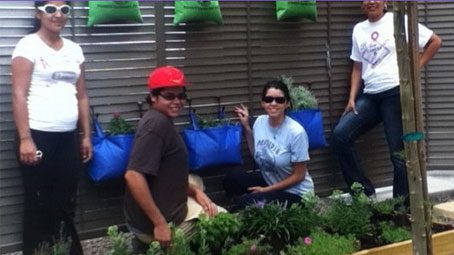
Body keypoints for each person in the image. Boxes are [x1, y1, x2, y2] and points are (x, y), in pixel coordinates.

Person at [331, 0, 442, 199]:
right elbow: (357, 66)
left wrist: (413, 70)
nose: (371, 2)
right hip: (370, 95)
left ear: (386, 2)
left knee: (398, 154)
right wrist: (351, 98)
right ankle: (363, 193)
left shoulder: (399, 21)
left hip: (395, 93)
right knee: (340, 136)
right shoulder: (359, 29)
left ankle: (400, 207)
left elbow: (435, 42)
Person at [11, 1, 92, 254]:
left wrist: (86, 135)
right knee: (39, 202)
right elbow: (18, 94)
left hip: (67, 138)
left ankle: (68, 251)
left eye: (65, 10)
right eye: (51, 9)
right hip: (37, 136)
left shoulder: (74, 50)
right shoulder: (28, 45)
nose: (58, 15)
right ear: (38, 14)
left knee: (65, 201)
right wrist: (25, 138)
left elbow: (82, 96)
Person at [124, 65, 225, 252]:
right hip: (156, 224)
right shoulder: (156, 125)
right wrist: (160, 223)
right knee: (224, 222)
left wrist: (194, 192)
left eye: (181, 96)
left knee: (196, 182)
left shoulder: (159, 119)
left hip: (157, 211)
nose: (177, 101)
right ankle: (160, 246)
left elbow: (166, 174)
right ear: (153, 97)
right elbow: (133, 176)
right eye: (169, 96)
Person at [223, 80, 314, 211]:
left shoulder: (296, 132)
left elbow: (299, 176)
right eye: (268, 99)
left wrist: (265, 190)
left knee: (247, 203)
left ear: (287, 103)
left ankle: (250, 210)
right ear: (263, 103)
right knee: (233, 178)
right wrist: (247, 128)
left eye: (279, 100)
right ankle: (255, 211)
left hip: (296, 194)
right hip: (271, 184)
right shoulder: (260, 122)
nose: (273, 103)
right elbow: (257, 153)